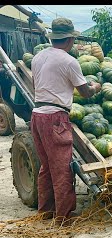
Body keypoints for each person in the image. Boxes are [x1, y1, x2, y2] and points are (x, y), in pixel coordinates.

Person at [30, 17, 102, 225]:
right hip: (56, 118)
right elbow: (85, 92)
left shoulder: (38, 57)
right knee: (62, 168)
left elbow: (37, 84)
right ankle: (64, 218)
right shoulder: (70, 61)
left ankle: (46, 212)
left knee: (46, 166)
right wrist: (95, 87)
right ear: (70, 39)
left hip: (37, 116)